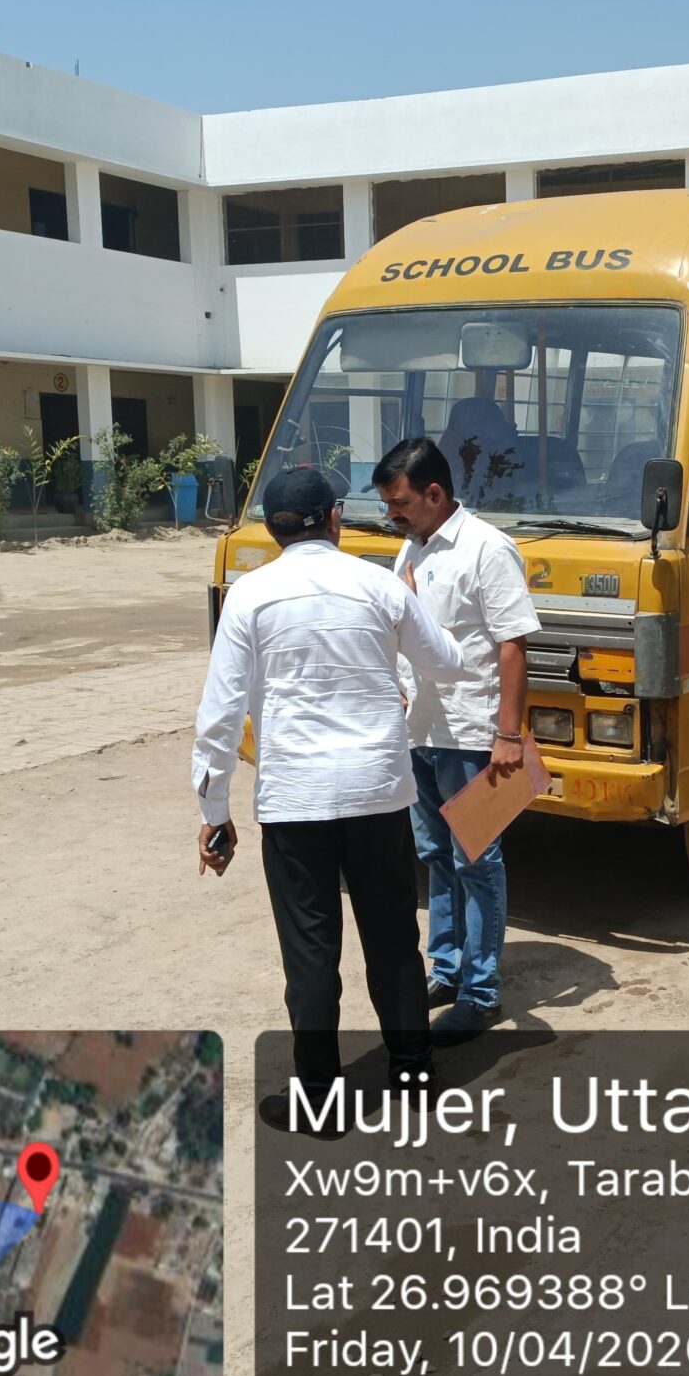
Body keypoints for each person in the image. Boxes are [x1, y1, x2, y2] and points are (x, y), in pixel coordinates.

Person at [192, 468, 463, 1135]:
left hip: (296, 801)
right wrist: (409, 608)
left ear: (273, 529)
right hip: (378, 792)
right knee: (394, 941)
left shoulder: (250, 596)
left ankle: (320, 1100)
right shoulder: (379, 584)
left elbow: (220, 717)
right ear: (335, 518)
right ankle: (414, 1074)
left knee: (311, 953)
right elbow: (448, 661)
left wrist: (214, 813)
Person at [374, 438, 542, 1046]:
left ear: (435, 493)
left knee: (477, 861)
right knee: (436, 856)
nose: (392, 515)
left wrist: (508, 734)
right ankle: (445, 970)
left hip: (471, 735)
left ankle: (480, 992)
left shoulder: (486, 549)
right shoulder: (411, 547)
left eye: (400, 503)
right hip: (421, 732)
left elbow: (513, 644)